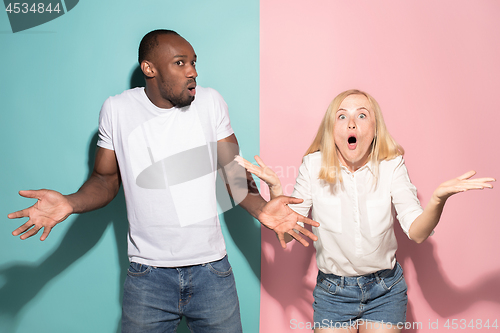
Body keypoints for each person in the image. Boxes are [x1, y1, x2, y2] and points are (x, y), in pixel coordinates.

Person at [7, 29, 319, 333]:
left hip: (212, 271)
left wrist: (261, 209)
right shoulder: (116, 110)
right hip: (148, 277)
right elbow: (105, 179)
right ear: (149, 68)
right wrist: (70, 202)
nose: (192, 72)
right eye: (180, 63)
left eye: (194, 62)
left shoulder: (211, 103)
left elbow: (232, 172)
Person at [236, 89, 495, 333]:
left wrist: (438, 199)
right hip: (332, 292)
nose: (352, 123)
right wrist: (278, 193)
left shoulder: (392, 165)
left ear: (374, 129)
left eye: (361, 115)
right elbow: (291, 227)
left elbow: (416, 233)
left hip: (386, 289)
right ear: (331, 129)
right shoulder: (313, 165)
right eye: (342, 116)